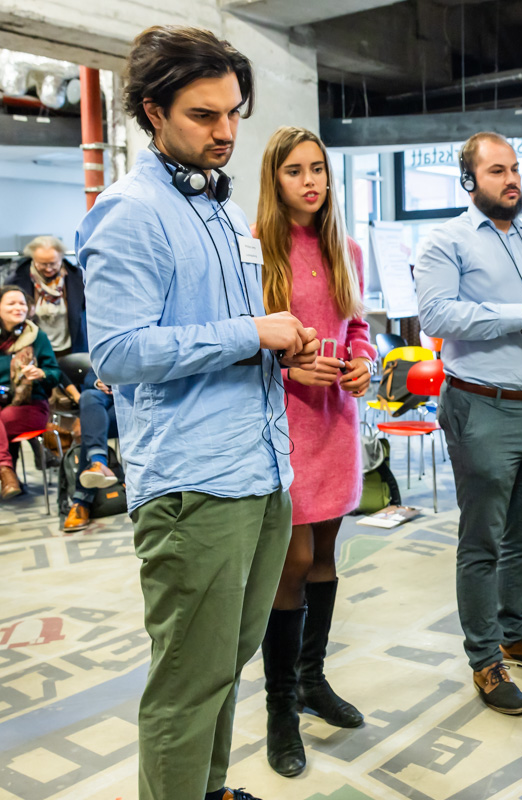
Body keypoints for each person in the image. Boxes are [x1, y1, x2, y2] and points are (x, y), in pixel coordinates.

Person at [76, 26, 319, 800]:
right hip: (194, 483)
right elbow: (115, 354)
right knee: (187, 685)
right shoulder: (129, 212)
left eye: (233, 113)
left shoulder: (216, 210)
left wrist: (282, 350)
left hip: (260, 467)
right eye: (202, 116)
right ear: (153, 112)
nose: (225, 133)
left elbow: (214, 335)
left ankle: (208, 792)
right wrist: (251, 331)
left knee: (225, 664)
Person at [414, 131, 522, 716]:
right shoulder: (447, 241)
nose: (511, 179)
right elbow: (436, 314)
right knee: (483, 539)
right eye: (496, 171)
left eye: (515, 169)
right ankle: (485, 658)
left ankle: (516, 631)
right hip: (482, 405)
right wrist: (519, 316)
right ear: (470, 180)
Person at [254, 126, 377, 777]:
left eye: (319, 171)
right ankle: (279, 708)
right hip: (284, 425)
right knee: (292, 560)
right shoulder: (258, 251)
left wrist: (362, 364)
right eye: (296, 171)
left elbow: (357, 326)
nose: (310, 182)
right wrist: (287, 371)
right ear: (274, 179)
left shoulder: (345, 248)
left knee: (326, 553)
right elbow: (240, 345)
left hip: (336, 423)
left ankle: (311, 680)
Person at [0, 285, 63, 499]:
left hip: (31, 405)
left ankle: (5, 471)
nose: (18, 307)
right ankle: (7, 472)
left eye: (22, 303)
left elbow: (56, 374)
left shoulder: (37, 337)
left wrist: (41, 374)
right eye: (11, 303)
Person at [61, 365, 120, 532]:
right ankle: (98, 464)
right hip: (106, 401)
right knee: (88, 396)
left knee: (91, 425)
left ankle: (81, 501)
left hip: (134, 402)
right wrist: (98, 383)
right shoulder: (107, 345)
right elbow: (89, 377)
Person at [11, 236, 87, 359]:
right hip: (36, 350)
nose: (48, 268)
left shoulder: (77, 278)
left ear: (61, 258)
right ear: (33, 259)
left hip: (72, 348)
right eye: (42, 264)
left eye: (53, 263)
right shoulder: (17, 281)